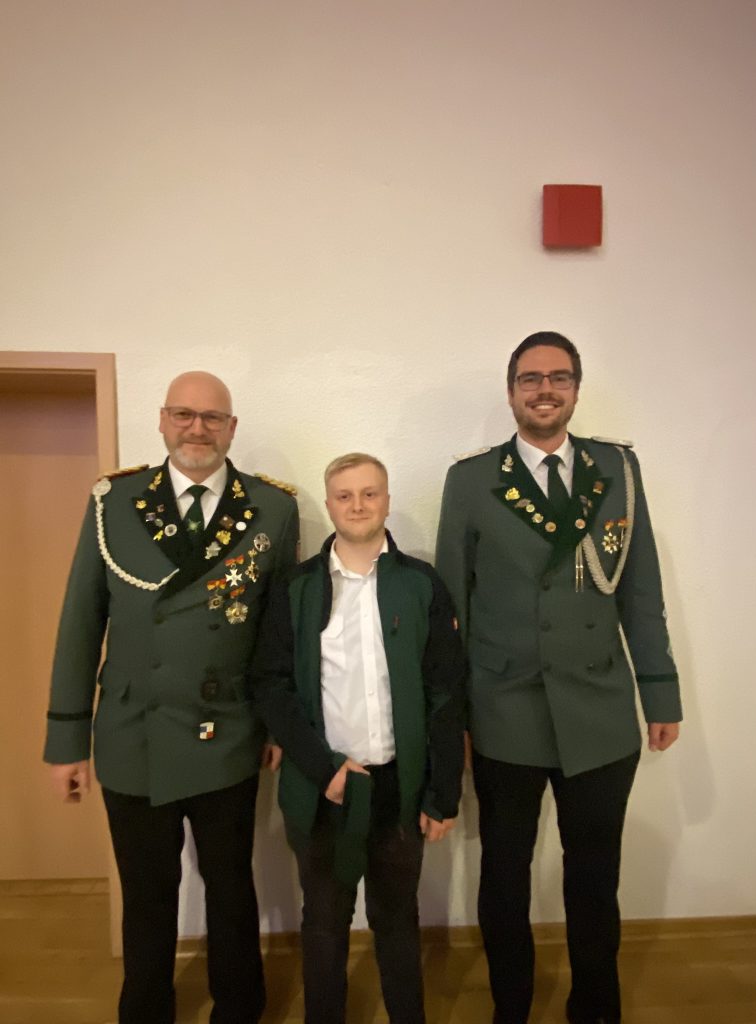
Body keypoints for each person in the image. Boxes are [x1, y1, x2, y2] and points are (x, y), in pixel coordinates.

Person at [435, 332, 682, 1024]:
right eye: (530, 378)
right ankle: (510, 1007)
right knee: (504, 877)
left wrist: (659, 692)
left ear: (575, 387)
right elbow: (450, 610)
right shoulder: (471, 480)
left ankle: (595, 1008)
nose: (545, 389)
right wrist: (452, 720)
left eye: (559, 377)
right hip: (504, 710)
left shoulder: (617, 469)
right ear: (511, 390)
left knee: (595, 879)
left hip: (599, 709)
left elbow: (640, 589)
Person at [43, 371, 299, 1024]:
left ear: (231, 428)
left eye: (212, 418)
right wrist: (67, 740)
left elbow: (279, 633)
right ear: (162, 420)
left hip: (228, 729)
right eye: (183, 414)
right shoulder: (115, 502)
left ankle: (239, 1007)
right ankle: (146, 1009)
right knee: (148, 892)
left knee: (231, 886)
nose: (197, 428)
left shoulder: (271, 508)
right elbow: (80, 622)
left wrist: (278, 725)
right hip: (133, 731)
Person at [253, 453, 465, 1024]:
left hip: (398, 786)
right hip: (325, 785)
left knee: (397, 918)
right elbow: (270, 684)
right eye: (344, 496)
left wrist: (443, 794)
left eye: (370, 494)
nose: (358, 506)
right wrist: (323, 768)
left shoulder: (421, 584)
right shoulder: (296, 587)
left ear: (387, 501)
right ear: (329, 505)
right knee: (324, 922)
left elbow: (446, 692)